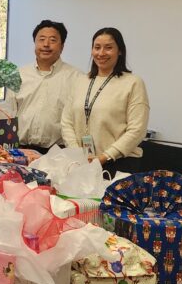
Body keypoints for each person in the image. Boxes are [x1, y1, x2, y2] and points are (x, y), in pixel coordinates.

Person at [61, 27, 149, 175]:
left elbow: (137, 130)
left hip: (119, 164)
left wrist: (104, 157)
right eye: (97, 47)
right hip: (81, 164)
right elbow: (66, 121)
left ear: (120, 51)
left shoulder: (133, 83)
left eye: (108, 48)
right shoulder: (80, 81)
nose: (101, 53)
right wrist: (77, 153)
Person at [5, 20, 83, 153]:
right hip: (21, 150)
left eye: (53, 40)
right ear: (35, 43)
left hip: (59, 152)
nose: (46, 44)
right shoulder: (18, 75)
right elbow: (8, 114)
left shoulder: (77, 78)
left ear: (62, 46)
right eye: (41, 39)